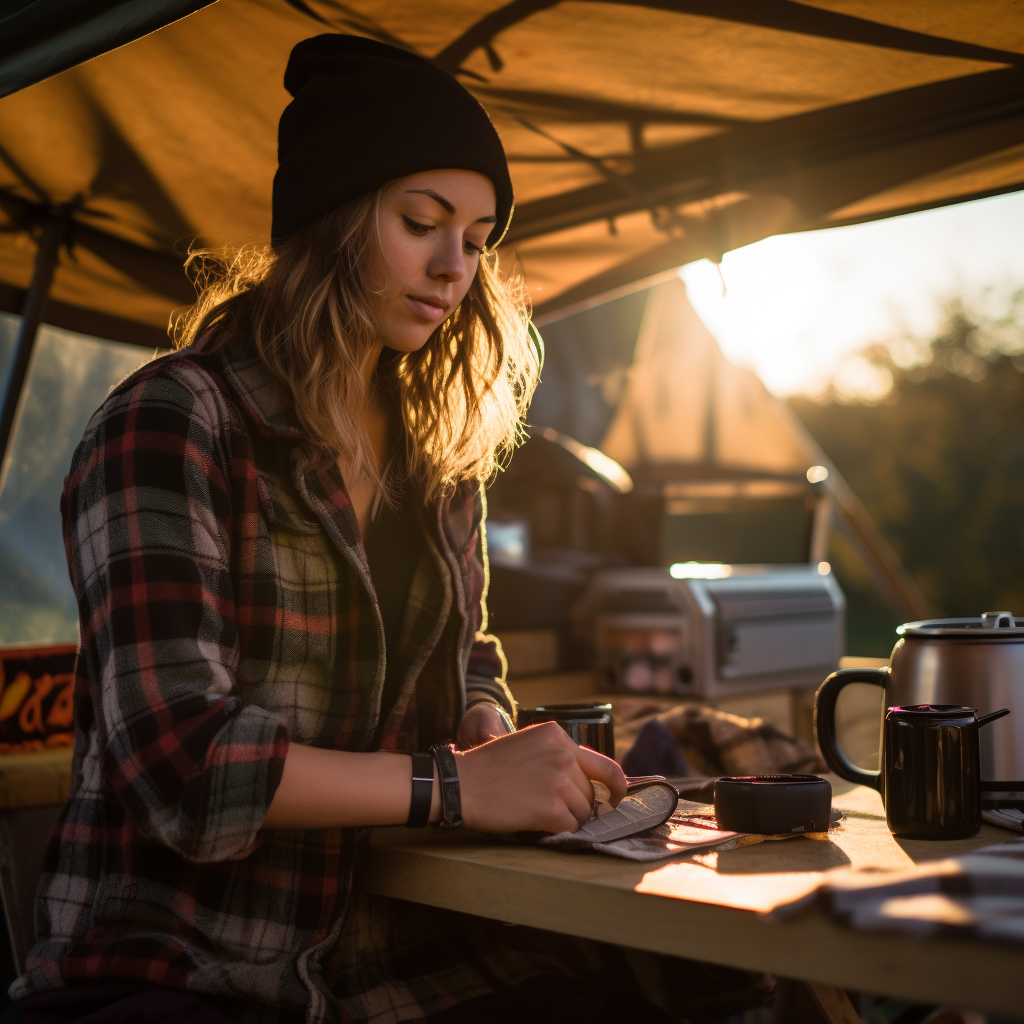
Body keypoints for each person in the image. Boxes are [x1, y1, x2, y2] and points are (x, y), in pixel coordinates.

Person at [10, 34, 643, 1024]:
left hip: (395, 957)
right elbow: (183, 771)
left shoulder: (437, 454)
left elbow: (470, 657)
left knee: (684, 986)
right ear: (332, 218)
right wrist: (458, 787)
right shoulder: (173, 420)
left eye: (478, 239)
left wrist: (486, 726)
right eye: (421, 222)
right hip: (182, 965)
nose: (453, 268)